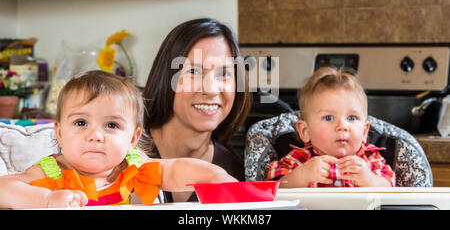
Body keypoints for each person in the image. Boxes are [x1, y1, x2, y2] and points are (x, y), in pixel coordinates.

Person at [0, 70, 237, 209]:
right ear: (60, 133)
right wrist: (47, 200)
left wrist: (213, 175)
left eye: (111, 125)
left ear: (133, 137)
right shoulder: (52, 173)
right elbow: (4, 188)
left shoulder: (133, 166)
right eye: (81, 123)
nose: (95, 135)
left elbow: (174, 169)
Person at [140, 18, 252, 202]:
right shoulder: (123, 150)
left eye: (224, 74)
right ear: (167, 77)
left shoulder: (235, 172)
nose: (211, 89)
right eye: (194, 72)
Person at [267, 67, 395, 188]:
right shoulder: (297, 160)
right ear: (305, 131)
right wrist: (302, 176)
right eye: (328, 118)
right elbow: (274, 190)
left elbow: (391, 190)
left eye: (351, 118)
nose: (342, 126)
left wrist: (369, 179)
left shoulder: (371, 159)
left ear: (364, 131)